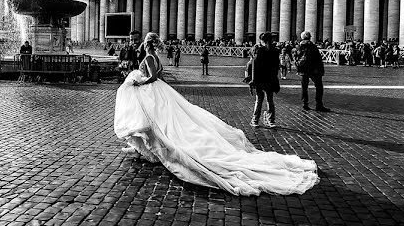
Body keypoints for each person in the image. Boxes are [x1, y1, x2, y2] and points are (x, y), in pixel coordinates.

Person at [114, 32, 318, 196]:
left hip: (153, 91)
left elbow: (151, 77)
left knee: (159, 122)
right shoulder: (156, 57)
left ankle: (154, 147)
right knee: (164, 122)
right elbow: (158, 75)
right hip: (161, 91)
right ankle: (149, 147)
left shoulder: (148, 57)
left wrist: (137, 82)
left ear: (147, 45)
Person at [246, 33, 281, 128]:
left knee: (259, 100)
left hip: (260, 79)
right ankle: (271, 121)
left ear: (261, 40)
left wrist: (251, 78)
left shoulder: (257, 50)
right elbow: (277, 66)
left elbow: (251, 65)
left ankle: (255, 120)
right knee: (270, 100)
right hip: (270, 79)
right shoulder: (275, 51)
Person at [294, 31, 329, 112]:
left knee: (304, 87)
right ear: (309, 37)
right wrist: (320, 70)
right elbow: (317, 59)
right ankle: (319, 105)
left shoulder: (298, 46)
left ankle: (304, 104)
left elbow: (295, 58)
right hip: (313, 70)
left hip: (303, 69)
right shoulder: (312, 46)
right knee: (319, 87)